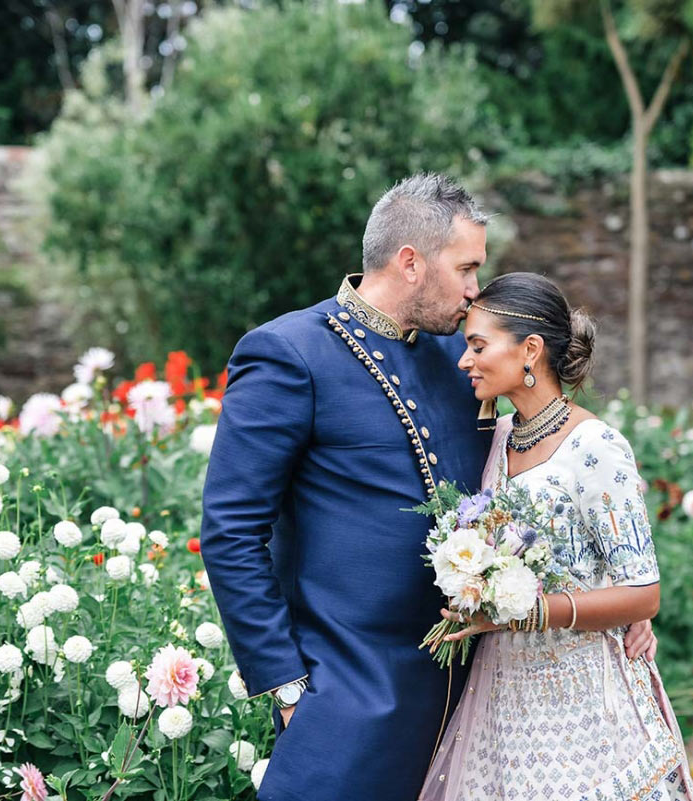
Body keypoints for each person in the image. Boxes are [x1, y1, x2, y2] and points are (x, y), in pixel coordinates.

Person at [201, 174, 656, 801]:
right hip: (351, 695)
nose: (475, 291)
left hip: (483, 696)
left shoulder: (464, 360)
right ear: (410, 262)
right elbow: (231, 531)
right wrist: (285, 685)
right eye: (466, 268)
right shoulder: (289, 353)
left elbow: (532, 485)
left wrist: (614, 599)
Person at [419, 272, 693, 801]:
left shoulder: (595, 447)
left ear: (530, 350)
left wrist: (533, 611)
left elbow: (644, 593)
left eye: (478, 346)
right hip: (503, 707)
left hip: (587, 707)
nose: (465, 360)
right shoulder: (497, 439)